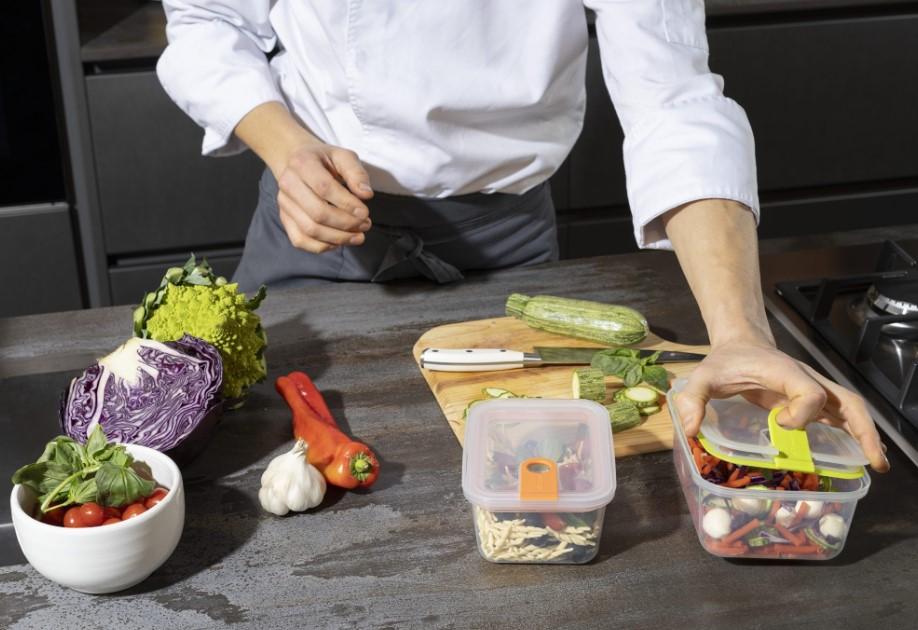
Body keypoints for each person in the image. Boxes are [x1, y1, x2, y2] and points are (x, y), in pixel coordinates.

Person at [157, 1, 889, 472]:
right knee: (257, 465)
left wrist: (740, 336)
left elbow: (675, 102)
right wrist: (287, 149)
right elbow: (208, 20)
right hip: (313, 219)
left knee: (519, 477)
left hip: (509, 245)